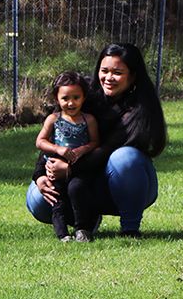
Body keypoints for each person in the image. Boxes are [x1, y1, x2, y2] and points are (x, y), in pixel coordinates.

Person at [26, 43, 168, 238]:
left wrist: (69, 170)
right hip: (82, 180)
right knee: (36, 200)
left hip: (121, 182)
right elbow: (56, 135)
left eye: (117, 72)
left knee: (124, 158)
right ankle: (85, 219)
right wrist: (40, 174)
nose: (108, 78)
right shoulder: (82, 94)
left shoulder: (140, 109)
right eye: (104, 71)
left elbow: (106, 150)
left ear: (133, 75)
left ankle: (130, 228)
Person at [34, 71, 99, 242]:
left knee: (77, 190)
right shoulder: (53, 119)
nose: (71, 103)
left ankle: (82, 229)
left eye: (76, 97)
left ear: (84, 97)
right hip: (55, 168)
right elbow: (40, 141)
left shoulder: (88, 120)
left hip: (79, 168)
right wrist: (58, 149)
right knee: (57, 199)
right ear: (57, 99)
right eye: (65, 98)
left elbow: (95, 142)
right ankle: (63, 234)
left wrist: (82, 150)